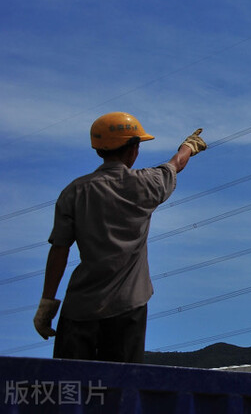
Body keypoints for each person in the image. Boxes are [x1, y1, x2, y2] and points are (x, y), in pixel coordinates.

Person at [33, 112, 206, 362]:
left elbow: (59, 249)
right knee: (119, 391)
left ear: (98, 150)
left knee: (71, 388)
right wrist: (188, 146)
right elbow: (176, 164)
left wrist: (47, 304)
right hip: (128, 307)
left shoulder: (74, 191)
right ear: (133, 150)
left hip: (80, 308)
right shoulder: (146, 184)